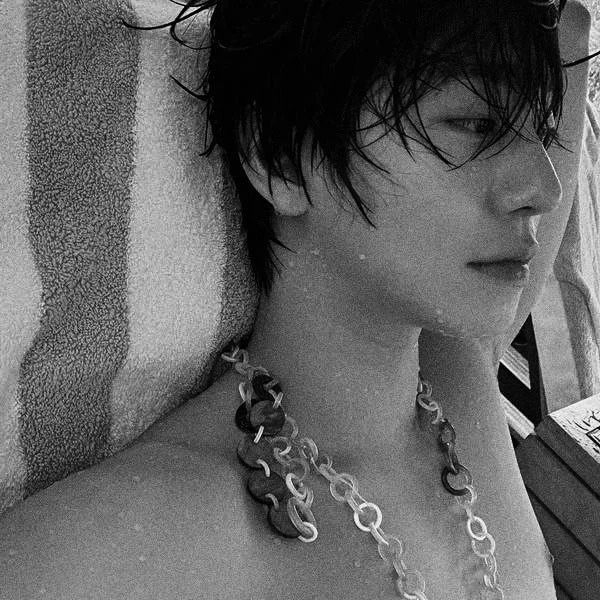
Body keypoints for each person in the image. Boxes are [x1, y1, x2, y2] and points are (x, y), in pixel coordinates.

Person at [0, 1, 597, 598]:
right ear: (280, 157)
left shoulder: (458, 377)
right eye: (478, 123)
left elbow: (570, 29)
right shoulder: (128, 545)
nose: (544, 188)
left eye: (545, 132)